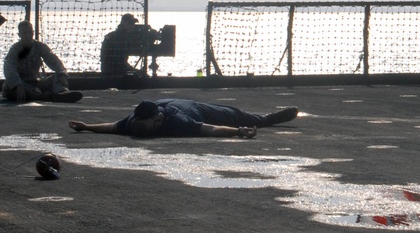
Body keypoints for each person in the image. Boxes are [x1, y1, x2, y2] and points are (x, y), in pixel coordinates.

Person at [68, 98, 299, 138]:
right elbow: (111, 127)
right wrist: (86, 126)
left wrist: (238, 131)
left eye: (143, 125)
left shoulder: (176, 121)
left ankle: (269, 118)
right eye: (138, 125)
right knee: (237, 119)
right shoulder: (133, 123)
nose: (139, 129)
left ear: (157, 120)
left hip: (195, 108)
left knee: (239, 116)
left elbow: (209, 129)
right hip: (165, 102)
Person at [2, 20, 81, 103]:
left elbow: (53, 60)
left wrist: (62, 73)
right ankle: (46, 96)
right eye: (24, 33)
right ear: (19, 35)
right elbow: (9, 69)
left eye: (29, 32)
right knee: (12, 91)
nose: (28, 36)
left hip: (35, 83)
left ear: (33, 33)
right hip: (21, 84)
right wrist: (18, 85)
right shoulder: (15, 50)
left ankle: (62, 93)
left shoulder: (39, 47)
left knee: (56, 77)